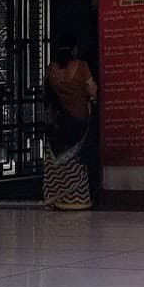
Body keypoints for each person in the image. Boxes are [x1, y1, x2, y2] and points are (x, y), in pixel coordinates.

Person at [43, 42, 98, 211]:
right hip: (79, 118)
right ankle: (76, 198)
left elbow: (47, 92)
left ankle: (55, 198)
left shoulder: (51, 69)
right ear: (73, 50)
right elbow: (92, 89)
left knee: (57, 161)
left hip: (59, 121)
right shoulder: (81, 66)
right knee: (76, 160)